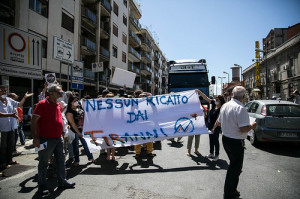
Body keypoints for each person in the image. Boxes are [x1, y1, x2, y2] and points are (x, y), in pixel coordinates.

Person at [31, 84, 75, 195]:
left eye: (62, 92)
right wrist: (36, 138)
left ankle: (62, 181)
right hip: (45, 139)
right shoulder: (41, 105)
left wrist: (62, 130)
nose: (62, 94)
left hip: (58, 138)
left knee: (60, 161)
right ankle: (42, 185)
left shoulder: (58, 105)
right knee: (44, 163)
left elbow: (58, 119)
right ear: (51, 93)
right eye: (60, 92)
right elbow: (34, 121)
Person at [215, 86, 256, 199]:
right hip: (235, 141)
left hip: (226, 139)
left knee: (235, 167)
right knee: (234, 168)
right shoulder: (240, 108)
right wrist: (252, 126)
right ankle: (229, 193)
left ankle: (232, 189)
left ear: (232, 94)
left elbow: (219, 123)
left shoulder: (225, 106)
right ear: (243, 97)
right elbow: (243, 129)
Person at [0, 85, 33, 170]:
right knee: (3, 146)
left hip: (11, 127)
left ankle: (10, 160)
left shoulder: (9, 100)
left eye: (5, 91)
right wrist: (11, 115)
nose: (4, 92)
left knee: (11, 144)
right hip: (3, 128)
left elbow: (19, 104)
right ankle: (3, 162)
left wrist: (24, 98)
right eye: (2, 91)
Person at [197, 90, 226, 161]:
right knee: (211, 139)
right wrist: (199, 91)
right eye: (215, 99)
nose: (215, 101)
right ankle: (211, 153)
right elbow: (206, 98)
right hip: (210, 126)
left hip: (216, 126)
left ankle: (217, 155)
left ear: (220, 101)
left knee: (215, 140)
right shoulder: (213, 104)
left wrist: (214, 128)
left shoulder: (221, 108)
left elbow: (218, 119)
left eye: (217, 100)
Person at [66, 94, 94, 166]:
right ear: (70, 102)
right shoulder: (69, 112)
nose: (76, 102)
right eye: (74, 101)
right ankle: (77, 161)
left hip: (82, 130)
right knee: (75, 146)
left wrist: (85, 102)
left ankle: (91, 158)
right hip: (74, 131)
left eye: (77, 100)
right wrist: (78, 132)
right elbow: (72, 123)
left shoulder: (79, 108)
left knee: (86, 145)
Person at [105, 93, 117, 161]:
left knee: (112, 141)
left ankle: (112, 155)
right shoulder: (103, 107)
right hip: (107, 126)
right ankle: (109, 155)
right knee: (108, 141)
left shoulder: (116, 106)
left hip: (113, 126)